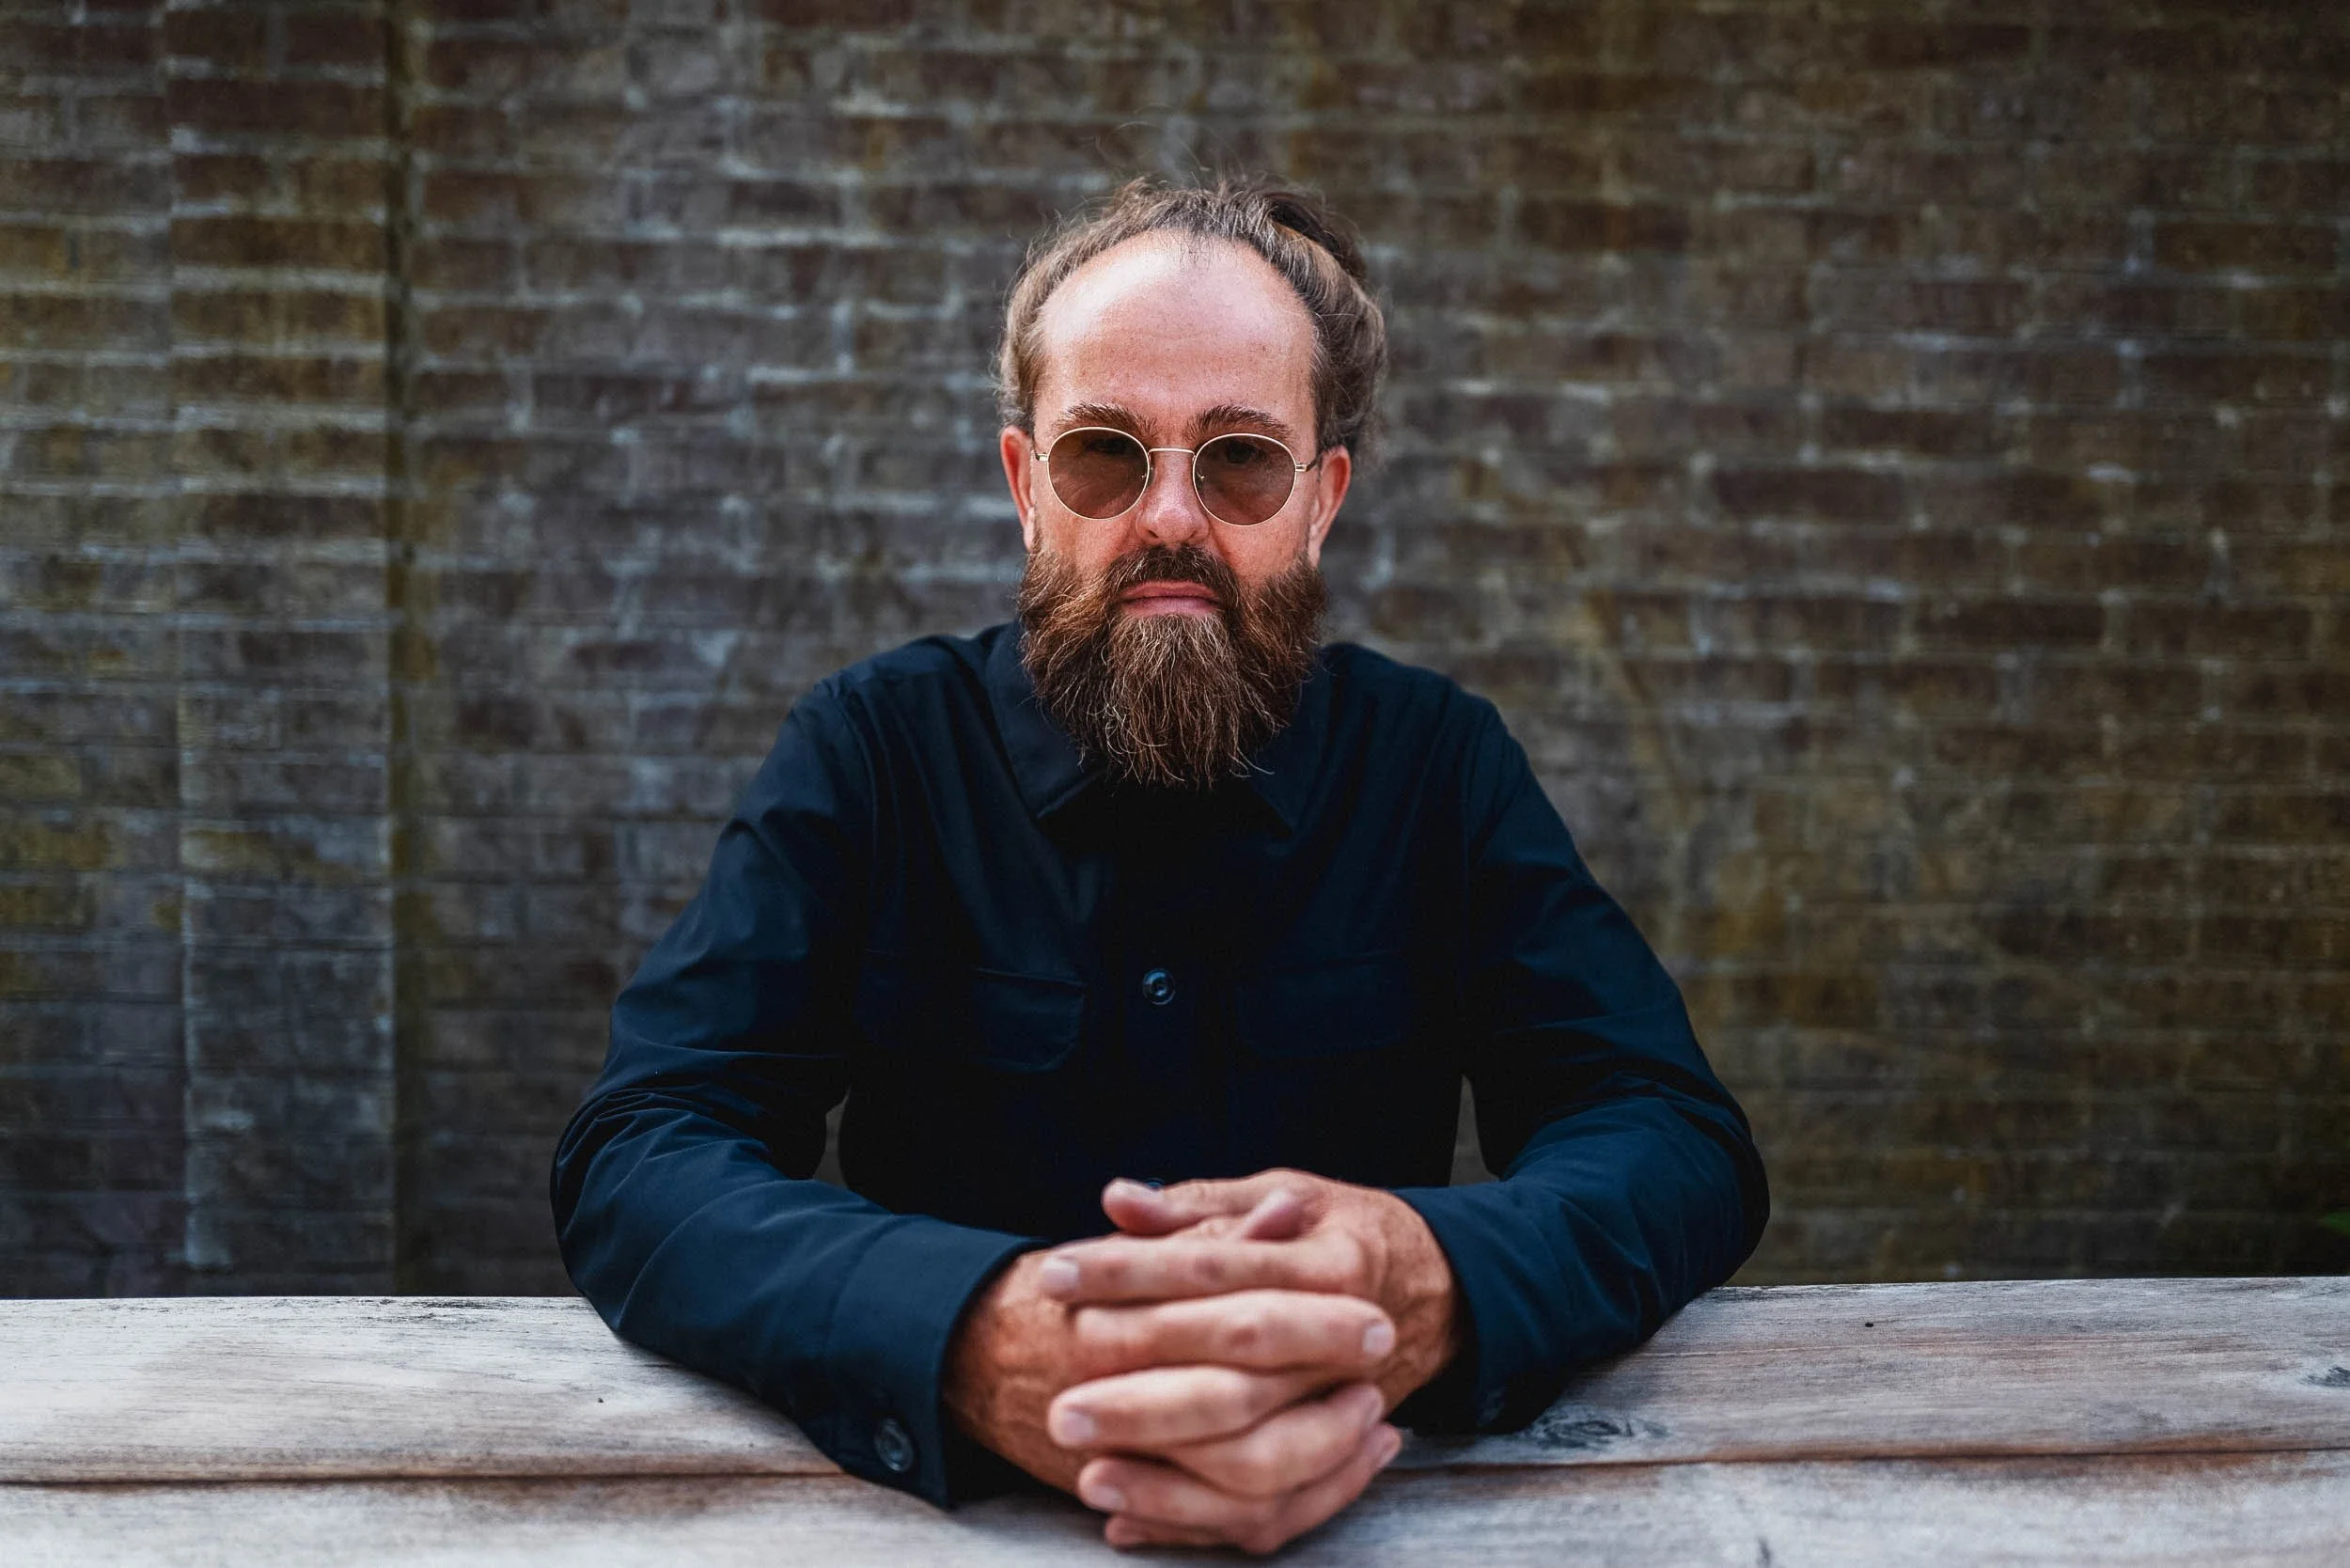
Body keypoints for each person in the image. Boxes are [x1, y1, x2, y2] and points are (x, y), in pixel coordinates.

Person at [551, 177, 1768, 1556]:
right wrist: (965, 1334)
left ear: (1322, 500)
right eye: (1105, 457)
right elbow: (641, 1147)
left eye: (1240, 459)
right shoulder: (875, 754)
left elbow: (1674, 1134)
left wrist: (1426, 1281)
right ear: (1026, 489)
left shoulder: (1439, 766)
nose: (1171, 517)